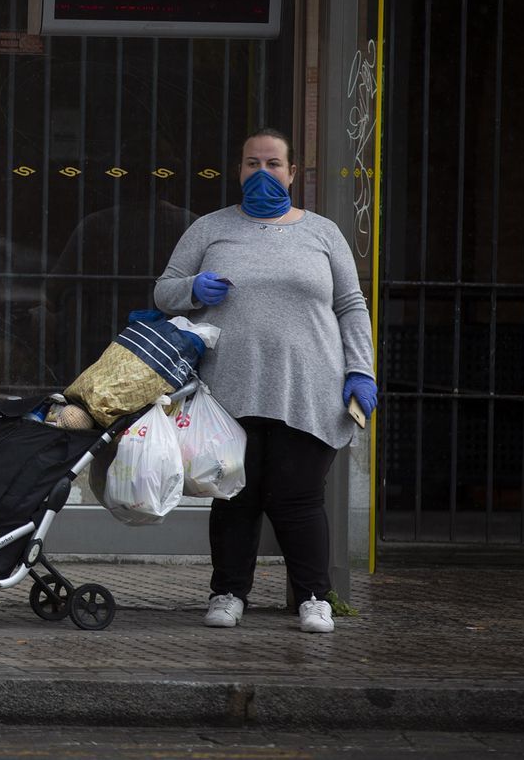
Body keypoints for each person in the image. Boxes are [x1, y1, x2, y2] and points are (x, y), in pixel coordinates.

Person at [153, 127, 376, 634]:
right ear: (239, 171)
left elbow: (350, 304)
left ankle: (314, 598)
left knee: (298, 498)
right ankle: (228, 593)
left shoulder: (323, 232)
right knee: (236, 496)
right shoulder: (209, 229)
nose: (262, 173)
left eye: (273, 164)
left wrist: (361, 369)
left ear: (293, 173)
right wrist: (192, 287)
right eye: (252, 163)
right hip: (228, 390)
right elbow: (165, 292)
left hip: (310, 388)